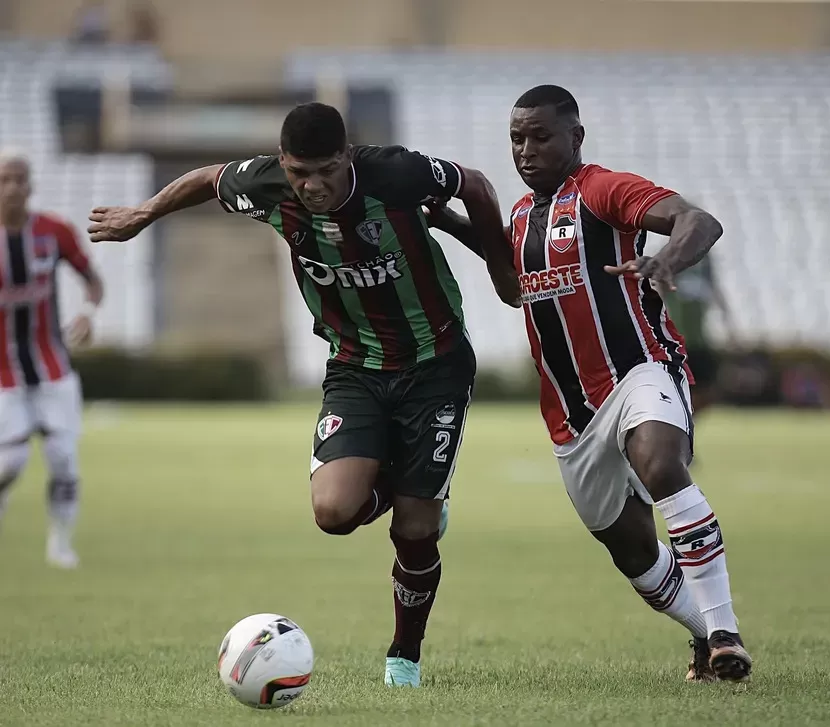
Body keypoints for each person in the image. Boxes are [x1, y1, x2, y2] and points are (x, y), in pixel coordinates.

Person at [87, 103, 519, 688]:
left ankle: (403, 658)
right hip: (355, 366)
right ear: (283, 164)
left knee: (415, 532)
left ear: (346, 157)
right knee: (333, 513)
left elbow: (475, 183)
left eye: (324, 171)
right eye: (298, 173)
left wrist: (499, 264)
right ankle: (413, 483)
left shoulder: (395, 174)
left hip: (435, 363)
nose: (311, 186)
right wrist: (143, 213)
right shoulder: (265, 182)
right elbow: (206, 179)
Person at [429, 86, 752, 682]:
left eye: (541, 136)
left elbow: (698, 220)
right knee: (632, 552)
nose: (526, 150)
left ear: (575, 138)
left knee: (660, 464)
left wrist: (666, 261)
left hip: (638, 371)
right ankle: (709, 638)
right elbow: (512, 280)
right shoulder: (525, 216)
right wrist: (447, 221)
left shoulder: (603, 191)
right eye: (517, 139)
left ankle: (726, 629)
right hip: (571, 416)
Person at [0, 152, 104, 569]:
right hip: (4, 374)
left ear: (31, 185)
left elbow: (92, 279)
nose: (12, 188)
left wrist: (88, 313)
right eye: (5, 179)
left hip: (53, 368)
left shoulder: (53, 231)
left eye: (19, 179)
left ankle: (60, 545)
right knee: (11, 463)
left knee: (63, 458)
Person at [661, 253, 735, 421]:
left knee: (708, 391)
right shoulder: (673, 257)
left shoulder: (705, 261)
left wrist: (728, 324)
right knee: (679, 390)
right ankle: (680, 422)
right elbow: (660, 290)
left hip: (699, 343)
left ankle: (686, 422)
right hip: (678, 343)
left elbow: (714, 288)